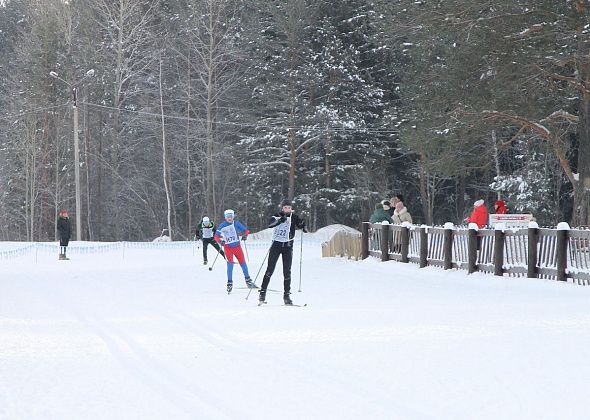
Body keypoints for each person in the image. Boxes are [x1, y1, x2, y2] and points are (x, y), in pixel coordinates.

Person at [259, 199, 307, 305]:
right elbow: (270, 224)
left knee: (287, 271)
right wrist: (280, 220)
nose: (287, 209)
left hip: (288, 247)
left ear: (291, 208)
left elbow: (300, 225)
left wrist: (303, 225)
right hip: (276, 246)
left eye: (289, 208)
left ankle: (287, 296)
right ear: (282, 208)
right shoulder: (277, 215)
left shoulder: (293, 217)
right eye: (285, 207)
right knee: (270, 269)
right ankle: (262, 293)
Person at [214, 209, 255, 293]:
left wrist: (245, 235)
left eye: (231, 216)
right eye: (228, 217)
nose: (229, 218)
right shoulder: (222, 225)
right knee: (230, 265)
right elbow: (216, 236)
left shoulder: (236, 223)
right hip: (228, 248)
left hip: (237, 247)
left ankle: (248, 281)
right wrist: (220, 241)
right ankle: (229, 283)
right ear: (225, 217)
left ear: (233, 217)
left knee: (243, 263)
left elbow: (246, 230)